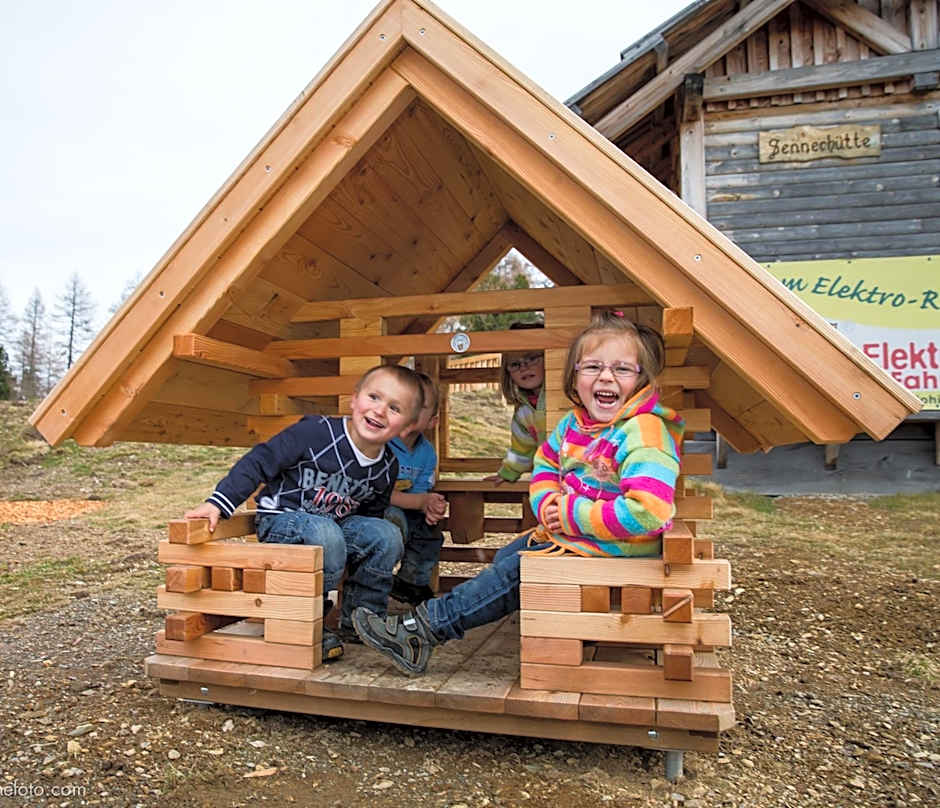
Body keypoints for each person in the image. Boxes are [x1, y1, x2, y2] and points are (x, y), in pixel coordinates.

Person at [351, 312, 684, 675]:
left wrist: (572, 514)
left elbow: (650, 510)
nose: (605, 376)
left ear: (641, 379)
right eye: (592, 367)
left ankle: (422, 630)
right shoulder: (576, 424)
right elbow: (543, 463)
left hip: (616, 551)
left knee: (517, 569)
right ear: (575, 375)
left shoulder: (645, 432)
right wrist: (549, 505)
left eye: (621, 369)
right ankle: (510, 618)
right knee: (511, 555)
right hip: (578, 542)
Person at [183, 364, 425, 661]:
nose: (380, 410)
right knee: (326, 531)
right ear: (353, 399)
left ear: (407, 427)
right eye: (374, 397)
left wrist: (368, 548)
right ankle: (309, 624)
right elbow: (260, 461)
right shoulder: (314, 433)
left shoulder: (386, 467)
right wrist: (219, 503)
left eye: (395, 408)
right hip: (283, 520)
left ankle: (362, 620)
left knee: (386, 533)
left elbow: (370, 515)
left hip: (333, 531)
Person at [385, 371, 448, 606]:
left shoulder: (426, 453)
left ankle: (410, 583)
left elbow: (421, 490)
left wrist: (431, 506)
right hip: (377, 510)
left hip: (409, 507)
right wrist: (421, 502)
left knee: (430, 533)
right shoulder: (381, 444)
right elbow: (376, 492)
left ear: (433, 420)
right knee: (392, 523)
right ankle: (377, 582)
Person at [484, 322, 547, 485]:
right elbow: (521, 448)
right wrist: (508, 472)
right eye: (515, 364)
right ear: (508, 373)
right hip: (553, 476)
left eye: (532, 358)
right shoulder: (523, 413)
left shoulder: (566, 395)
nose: (524, 368)